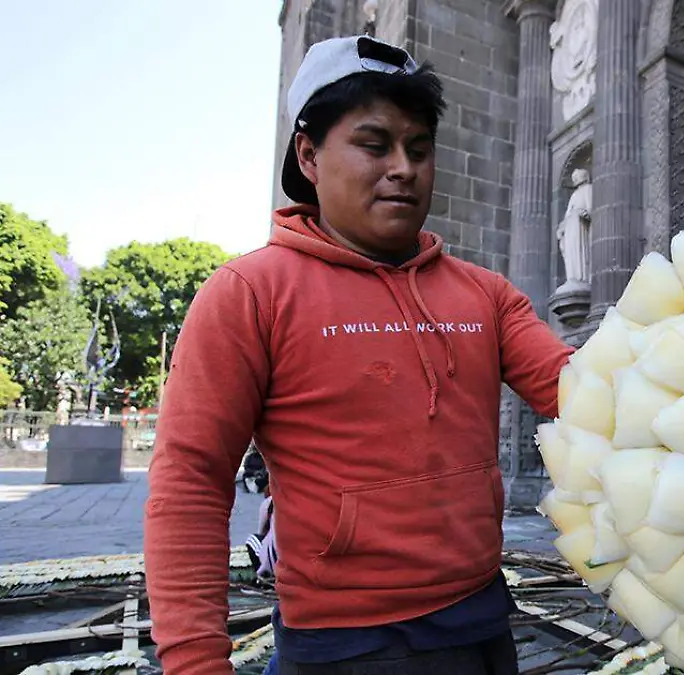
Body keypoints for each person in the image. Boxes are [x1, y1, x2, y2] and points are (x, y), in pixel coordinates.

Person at [143, 35, 574, 675]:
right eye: (375, 145)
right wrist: (194, 662)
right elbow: (190, 482)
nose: (404, 167)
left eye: (420, 149)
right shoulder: (248, 294)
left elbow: (583, 395)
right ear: (309, 155)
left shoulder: (485, 294)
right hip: (342, 645)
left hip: (483, 616)